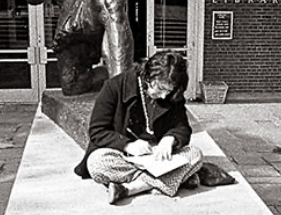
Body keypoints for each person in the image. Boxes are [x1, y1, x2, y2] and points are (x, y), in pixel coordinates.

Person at [74, 50, 205, 204]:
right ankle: (177, 178)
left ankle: (130, 188)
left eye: (168, 90)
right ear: (149, 75)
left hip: (158, 156)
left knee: (195, 154)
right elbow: (97, 131)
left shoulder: (172, 94)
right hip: (125, 156)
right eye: (160, 88)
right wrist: (127, 145)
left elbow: (182, 127)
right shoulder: (114, 87)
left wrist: (170, 139)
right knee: (96, 163)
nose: (163, 96)